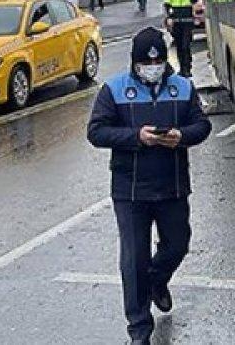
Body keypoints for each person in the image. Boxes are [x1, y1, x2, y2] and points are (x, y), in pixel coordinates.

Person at [87, 27, 211, 344]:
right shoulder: (114, 90)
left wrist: (182, 136)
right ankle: (139, 328)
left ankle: (157, 280)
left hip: (172, 186)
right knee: (133, 258)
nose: (151, 67)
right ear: (135, 63)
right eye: (145, 63)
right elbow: (97, 132)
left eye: (156, 62)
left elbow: (202, 125)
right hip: (130, 191)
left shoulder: (182, 87)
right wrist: (136, 137)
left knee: (178, 244)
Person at [164, 0, 198, 78]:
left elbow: (194, 0)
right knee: (179, 46)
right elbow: (167, 4)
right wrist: (169, 18)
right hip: (177, 22)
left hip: (187, 22)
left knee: (185, 46)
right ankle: (182, 69)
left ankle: (187, 68)